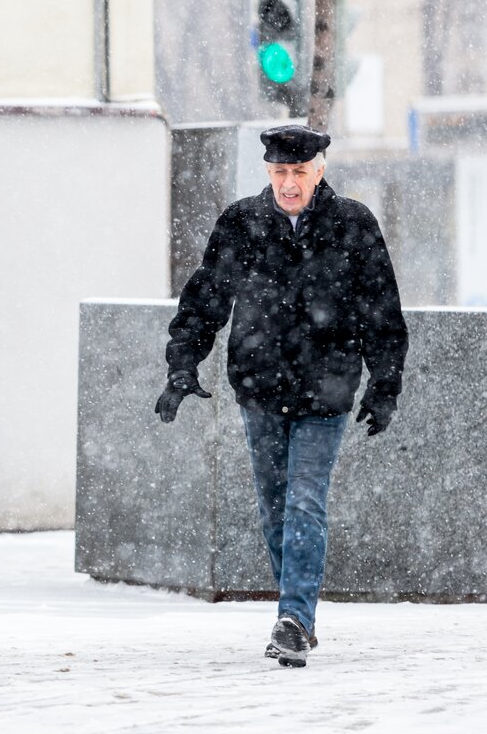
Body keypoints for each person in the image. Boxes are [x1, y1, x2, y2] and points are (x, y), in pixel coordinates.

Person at [155, 125, 408, 668]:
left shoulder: (353, 224)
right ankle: (296, 614)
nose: (288, 183)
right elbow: (206, 298)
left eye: (298, 172)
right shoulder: (242, 223)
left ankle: (294, 617)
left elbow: (382, 311)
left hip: (328, 388)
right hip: (260, 387)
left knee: (304, 501)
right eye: (279, 172)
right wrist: (182, 365)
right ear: (267, 170)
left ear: (319, 169)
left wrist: (385, 385)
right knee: (274, 509)